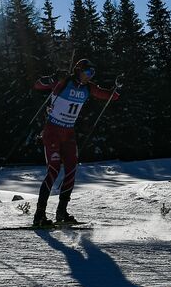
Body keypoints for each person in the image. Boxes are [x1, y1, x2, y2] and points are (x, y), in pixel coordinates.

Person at [31, 58, 120, 226]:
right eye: (87, 72)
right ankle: (39, 215)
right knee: (53, 171)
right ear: (78, 70)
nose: (89, 76)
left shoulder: (88, 88)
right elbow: (37, 85)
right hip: (52, 132)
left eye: (92, 73)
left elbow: (110, 96)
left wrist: (117, 88)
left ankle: (61, 212)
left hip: (69, 134)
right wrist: (51, 78)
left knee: (72, 169)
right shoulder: (64, 82)